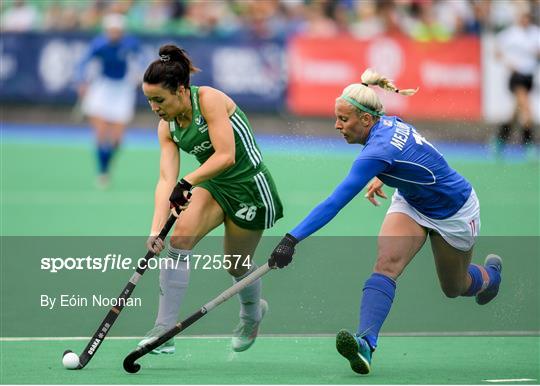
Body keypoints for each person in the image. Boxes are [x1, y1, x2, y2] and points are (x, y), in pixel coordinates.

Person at [268, 68, 503, 375]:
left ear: (366, 119)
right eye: (336, 118)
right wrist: (383, 176)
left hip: (454, 212)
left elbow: (335, 202)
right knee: (386, 264)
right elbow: (406, 157)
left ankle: (490, 277)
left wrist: (291, 239)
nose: (337, 126)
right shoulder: (387, 122)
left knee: (454, 287)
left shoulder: (375, 152)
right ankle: (366, 342)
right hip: (411, 201)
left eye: (344, 119)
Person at [138, 44, 283, 354]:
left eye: (159, 100)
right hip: (215, 186)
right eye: (149, 100)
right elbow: (166, 180)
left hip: (249, 188)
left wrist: (188, 181)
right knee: (178, 239)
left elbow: (227, 155)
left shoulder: (209, 100)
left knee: (236, 264)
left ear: (180, 90)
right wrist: (155, 229)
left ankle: (252, 313)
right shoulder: (167, 127)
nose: (154, 108)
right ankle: (164, 331)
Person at [75, 13, 141, 188]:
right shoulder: (99, 44)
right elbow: (82, 63)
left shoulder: (130, 43)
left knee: (117, 139)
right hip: (102, 88)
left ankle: (107, 166)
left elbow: (142, 60)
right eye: (111, 30)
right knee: (101, 134)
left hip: (123, 89)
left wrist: (141, 75)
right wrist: (81, 81)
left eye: (117, 30)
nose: (114, 33)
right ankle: (102, 171)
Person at [494, 6, 540, 159]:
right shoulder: (510, 34)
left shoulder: (535, 33)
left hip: (529, 77)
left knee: (514, 113)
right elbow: (497, 52)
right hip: (516, 76)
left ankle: (500, 139)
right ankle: (528, 144)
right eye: (523, 17)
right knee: (527, 109)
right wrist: (509, 63)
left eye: (528, 17)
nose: (525, 20)